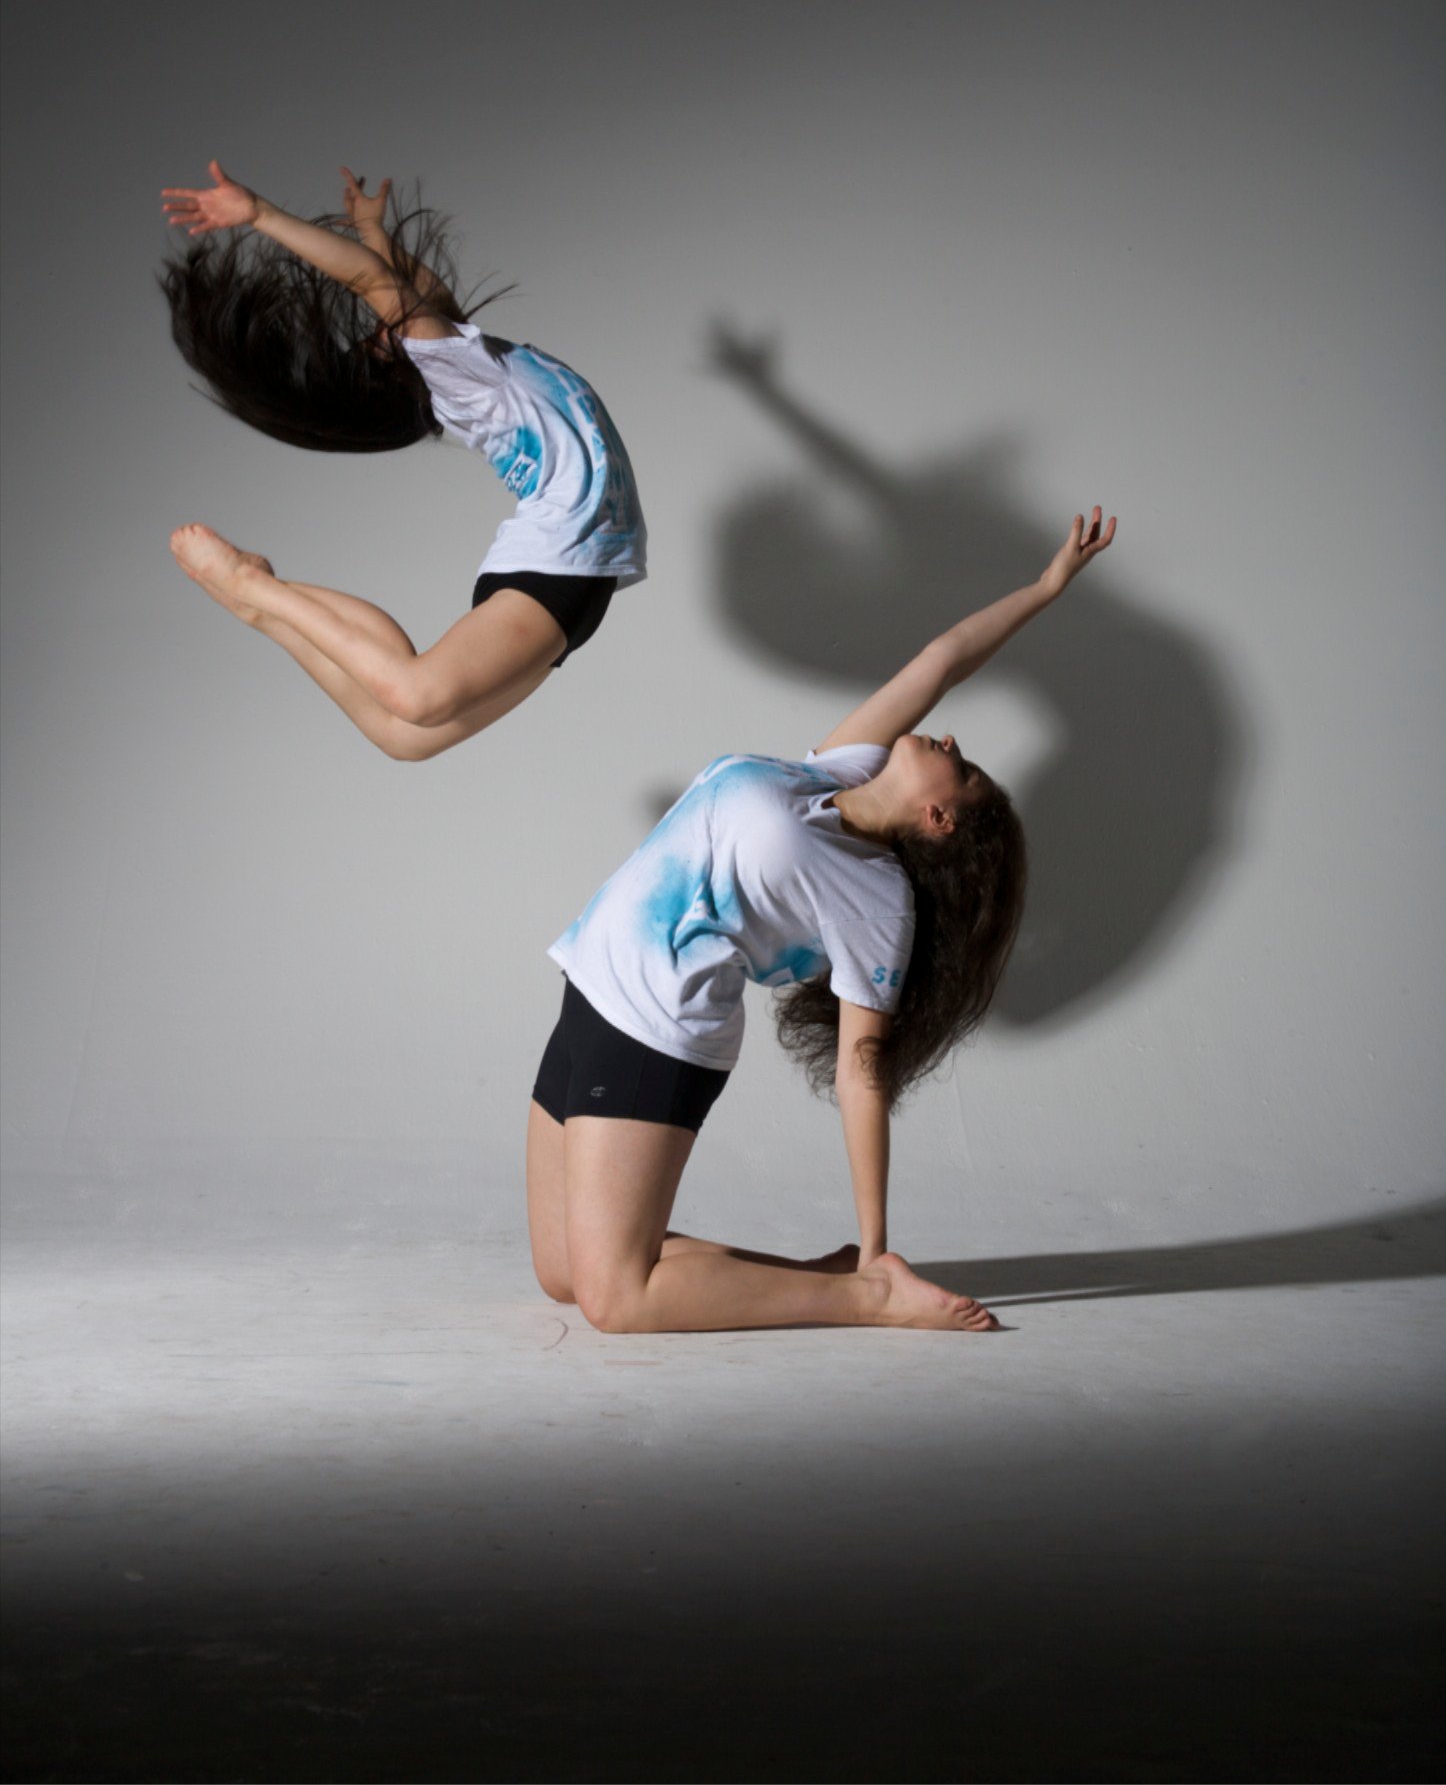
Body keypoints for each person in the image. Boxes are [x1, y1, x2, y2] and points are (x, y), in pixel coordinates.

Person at [527, 506, 1116, 1333]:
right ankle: (824, 1276)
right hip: (591, 984)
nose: (949, 740)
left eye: (963, 767)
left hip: (655, 1028)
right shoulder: (834, 775)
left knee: (615, 1301)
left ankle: (868, 1293)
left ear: (939, 820)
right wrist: (1046, 588)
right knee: (562, 1272)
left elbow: (861, 1070)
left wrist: (878, 1242)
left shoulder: (877, 897)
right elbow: (940, 661)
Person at [159, 161, 646, 760]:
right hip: (560, 568)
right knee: (414, 702)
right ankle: (250, 586)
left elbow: (419, 293)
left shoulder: (474, 366)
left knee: (401, 738)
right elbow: (373, 281)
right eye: (379, 337)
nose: (384, 325)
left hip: (574, 573)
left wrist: (375, 233)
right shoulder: (456, 376)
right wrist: (259, 213)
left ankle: (262, 600)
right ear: (402, 366)